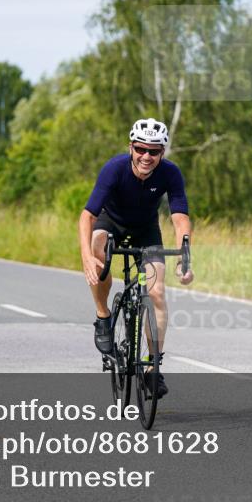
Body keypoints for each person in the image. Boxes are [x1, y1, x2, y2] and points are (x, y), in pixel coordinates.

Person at [79, 118, 194, 398]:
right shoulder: (114, 169)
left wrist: (185, 258)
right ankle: (103, 315)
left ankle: (154, 367)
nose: (146, 156)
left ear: (162, 154)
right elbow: (88, 216)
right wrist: (86, 256)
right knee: (98, 247)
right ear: (131, 147)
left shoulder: (170, 173)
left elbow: (180, 218)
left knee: (156, 292)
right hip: (111, 222)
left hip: (146, 231)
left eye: (153, 151)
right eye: (141, 149)